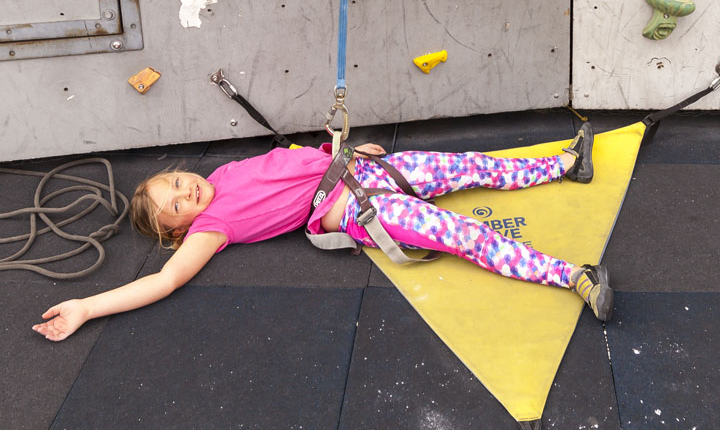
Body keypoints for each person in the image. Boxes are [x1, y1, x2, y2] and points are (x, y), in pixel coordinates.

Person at [32, 123, 612, 341]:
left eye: (179, 182)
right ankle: (572, 277)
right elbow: (162, 282)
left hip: (365, 169)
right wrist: (85, 305)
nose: (188, 192)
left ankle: (564, 166)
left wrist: (347, 150)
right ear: (177, 230)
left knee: (474, 167)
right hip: (364, 212)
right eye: (175, 206)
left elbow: (299, 162)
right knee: (464, 233)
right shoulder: (211, 228)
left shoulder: (226, 172)